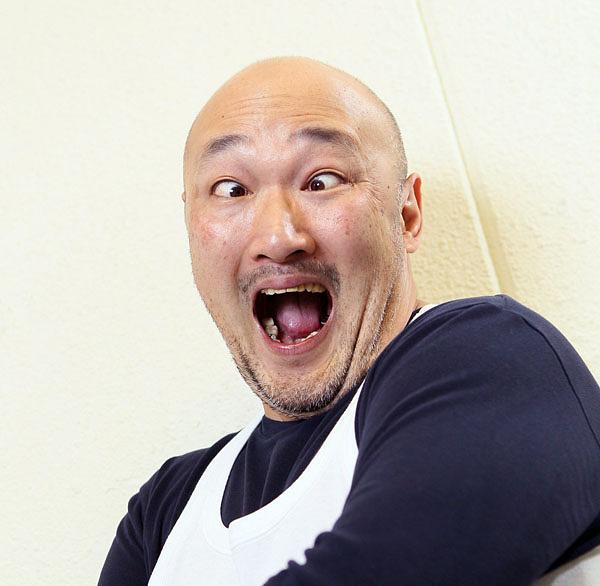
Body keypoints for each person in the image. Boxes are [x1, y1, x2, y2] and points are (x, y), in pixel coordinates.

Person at [98, 57, 600, 585]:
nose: (278, 237)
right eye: (231, 190)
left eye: (322, 181)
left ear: (406, 215)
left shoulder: (495, 357)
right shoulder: (164, 513)